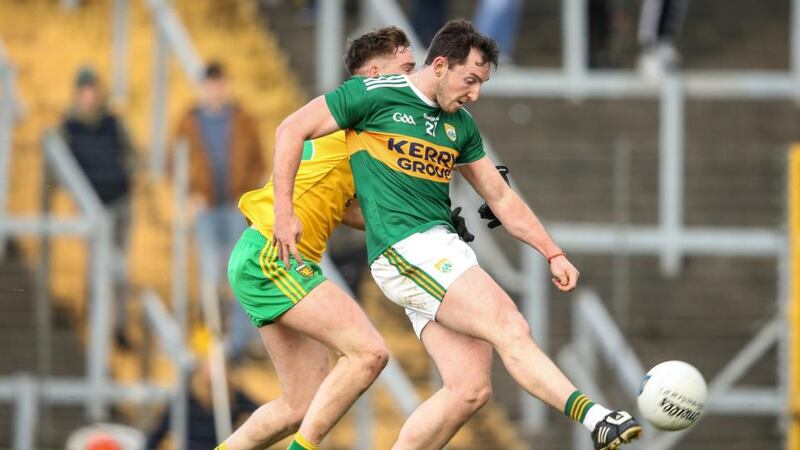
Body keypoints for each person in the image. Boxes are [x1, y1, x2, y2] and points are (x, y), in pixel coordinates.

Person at [272, 19, 643, 450]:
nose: (475, 94)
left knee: (469, 389)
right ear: (440, 65)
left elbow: (500, 197)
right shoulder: (373, 95)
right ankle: (597, 418)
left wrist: (552, 252)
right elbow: (290, 130)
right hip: (406, 249)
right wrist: (284, 212)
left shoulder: (460, 125)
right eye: (470, 80)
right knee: (509, 324)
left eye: (481, 84)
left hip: (442, 250)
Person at [214, 26, 419, 450]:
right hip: (272, 253)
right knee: (368, 353)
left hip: (272, 255)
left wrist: (424, 222)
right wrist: (284, 215)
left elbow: (346, 208)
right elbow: (287, 130)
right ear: (374, 75)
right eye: (406, 69)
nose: (413, 80)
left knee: (301, 405)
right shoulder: (357, 108)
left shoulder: (357, 129)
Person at [172, 62, 266, 363]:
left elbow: (258, 160)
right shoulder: (188, 122)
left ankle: (239, 340)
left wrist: (247, 194)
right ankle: (210, 336)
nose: (214, 91)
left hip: (236, 207)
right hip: (207, 208)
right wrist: (190, 194)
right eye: (209, 85)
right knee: (210, 274)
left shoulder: (242, 119)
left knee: (241, 273)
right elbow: (174, 162)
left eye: (218, 84)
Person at [59, 66, 136, 349]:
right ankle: (96, 326)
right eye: (85, 90)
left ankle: (119, 326)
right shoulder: (69, 127)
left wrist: (125, 176)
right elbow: (63, 167)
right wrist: (78, 197)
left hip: (119, 202)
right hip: (94, 208)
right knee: (97, 268)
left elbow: (132, 154)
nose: (90, 96)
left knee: (120, 268)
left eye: (93, 89)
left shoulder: (112, 122)